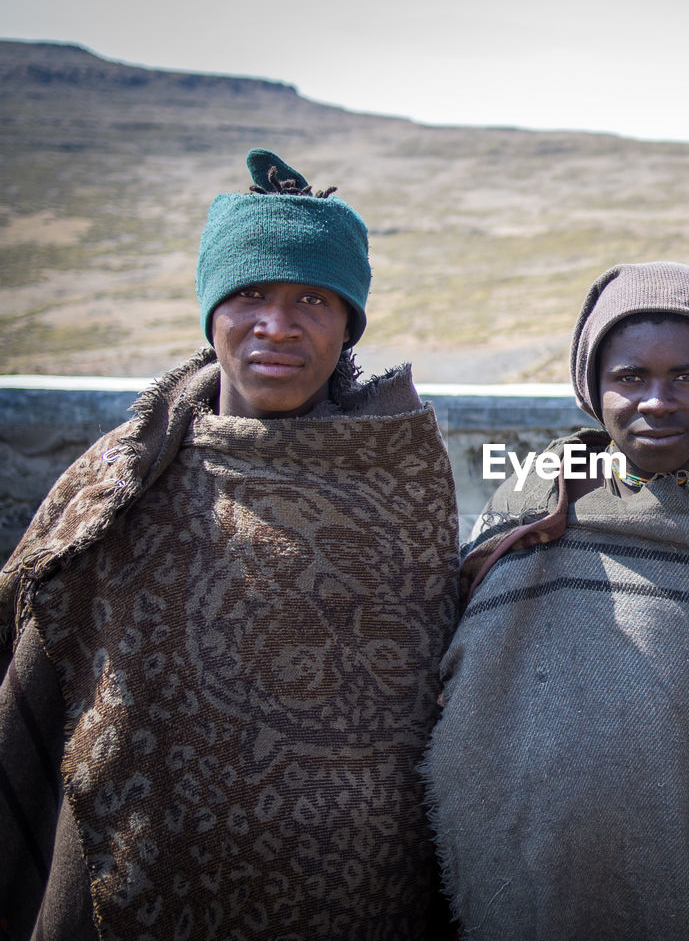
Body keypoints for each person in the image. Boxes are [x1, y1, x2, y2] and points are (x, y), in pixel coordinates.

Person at [0, 149, 459, 939]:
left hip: (353, 894)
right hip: (142, 868)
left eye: (312, 298)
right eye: (249, 294)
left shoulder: (398, 475)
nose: (275, 325)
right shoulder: (118, 482)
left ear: (348, 321)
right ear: (211, 311)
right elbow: (37, 651)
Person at [423, 261, 689, 940]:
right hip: (528, 872)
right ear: (592, 386)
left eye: (686, 375)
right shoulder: (530, 503)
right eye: (630, 377)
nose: (657, 400)